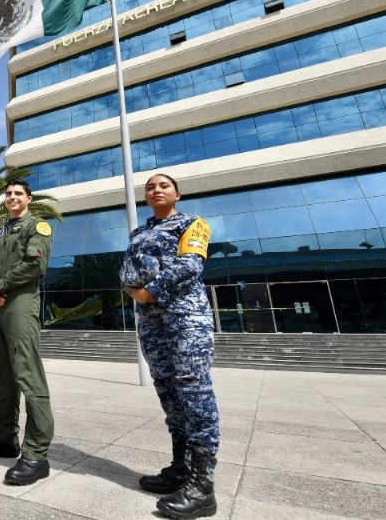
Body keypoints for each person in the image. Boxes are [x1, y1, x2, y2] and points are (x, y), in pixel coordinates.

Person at [121, 173, 220, 519]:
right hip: (151, 323)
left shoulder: (193, 224)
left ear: (177, 193)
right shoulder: (139, 233)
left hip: (185, 319)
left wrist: (152, 289)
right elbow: (126, 272)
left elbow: (190, 264)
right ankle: (180, 468)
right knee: (169, 393)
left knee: (195, 393)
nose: (156, 190)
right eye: (150, 187)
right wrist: (135, 288)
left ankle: (203, 485)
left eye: (163, 186)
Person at [0, 179, 54, 486]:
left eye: (18, 193)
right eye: (8, 194)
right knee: (3, 375)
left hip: (20, 305)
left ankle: (36, 454)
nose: (12, 197)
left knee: (27, 375)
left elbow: (34, 265)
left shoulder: (38, 227)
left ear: (29, 199)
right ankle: (5, 438)